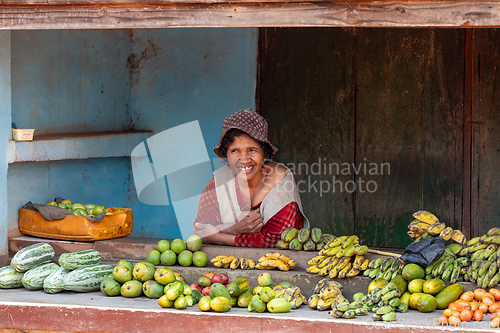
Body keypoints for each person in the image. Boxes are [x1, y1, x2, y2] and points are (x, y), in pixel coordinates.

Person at [193, 108, 309, 247]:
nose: (244, 159)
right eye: (235, 151)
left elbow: (276, 239)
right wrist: (233, 228)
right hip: (225, 264)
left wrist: (219, 237)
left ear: (265, 153)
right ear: (226, 154)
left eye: (252, 150)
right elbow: (201, 231)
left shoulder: (281, 179)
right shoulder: (219, 180)